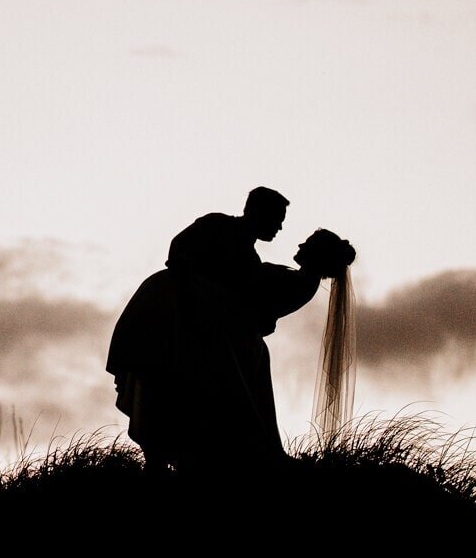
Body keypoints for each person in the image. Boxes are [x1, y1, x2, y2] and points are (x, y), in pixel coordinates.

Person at [106, 187, 353, 479]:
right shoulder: (217, 226)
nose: (280, 228)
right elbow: (179, 252)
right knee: (164, 385)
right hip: (170, 312)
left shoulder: (266, 267)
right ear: (257, 212)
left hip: (196, 328)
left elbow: (254, 310)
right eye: (277, 219)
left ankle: (190, 459)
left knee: (177, 391)